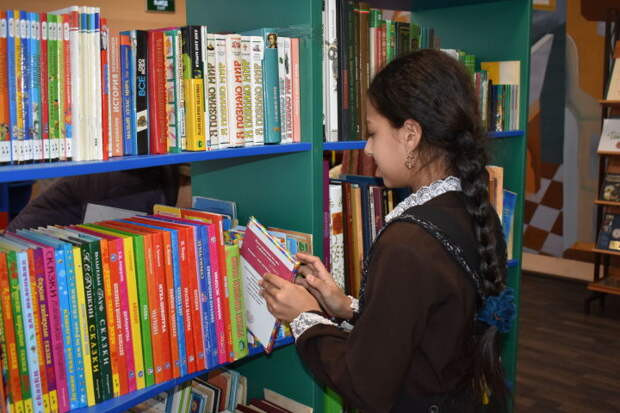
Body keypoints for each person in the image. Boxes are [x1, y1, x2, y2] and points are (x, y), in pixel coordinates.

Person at [259, 49, 515, 412]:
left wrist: (305, 317)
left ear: (410, 135)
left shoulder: (409, 242)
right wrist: (347, 308)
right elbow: (429, 329)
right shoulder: (475, 210)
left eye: (373, 133)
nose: (367, 148)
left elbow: (363, 385)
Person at [7, 163, 191, 231]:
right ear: (186, 180)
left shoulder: (158, 179)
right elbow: (108, 255)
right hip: (24, 259)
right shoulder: (132, 190)